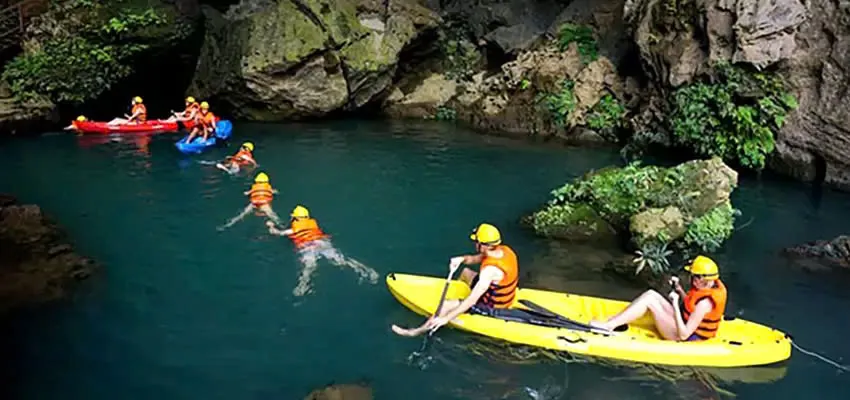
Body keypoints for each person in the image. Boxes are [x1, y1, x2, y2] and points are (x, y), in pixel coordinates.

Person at [391, 223, 519, 337]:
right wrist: (461, 259)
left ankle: (415, 332)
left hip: (492, 305)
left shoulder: (489, 271)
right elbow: (473, 259)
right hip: (497, 292)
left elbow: (472, 300)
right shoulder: (504, 250)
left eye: (477, 242)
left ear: (484, 245)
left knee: (446, 305)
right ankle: (455, 299)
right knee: (465, 273)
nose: (475, 244)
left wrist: (446, 319)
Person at [589, 255, 727, 341]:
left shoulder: (705, 303)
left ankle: (607, 327)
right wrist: (679, 289)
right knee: (651, 294)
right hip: (684, 325)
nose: (691, 279)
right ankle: (612, 322)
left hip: (684, 337)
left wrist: (674, 304)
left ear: (703, 279)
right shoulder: (707, 287)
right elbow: (691, 306)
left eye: (694, 276)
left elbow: (684, 334)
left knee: (651, 303)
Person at [266, 205, 378, 297]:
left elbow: (277, 233)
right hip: (321, 243)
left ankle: (303, 286)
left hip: (307, 246)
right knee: (342, 260)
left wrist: (271, 226)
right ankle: (367, 270)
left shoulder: (292, 229)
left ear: (296, 218)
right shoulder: (313, 224)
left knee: (309, 267)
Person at [217, 172, 283, 230]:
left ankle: (228, 225)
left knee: (241, 215)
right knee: (273, 216)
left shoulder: (254, 187)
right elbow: (274, 192)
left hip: (254, 203)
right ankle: (281, 226)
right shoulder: (268, 187)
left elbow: (247, 193)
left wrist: (245, 193)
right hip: (264, 204)